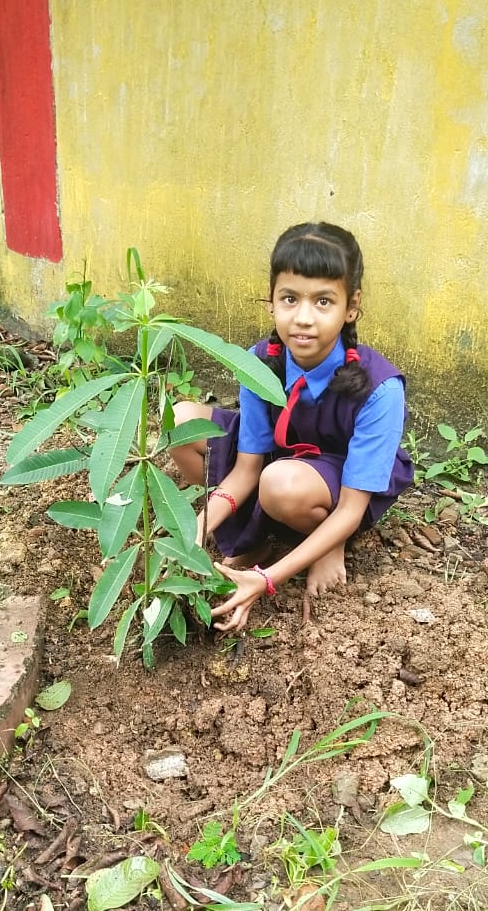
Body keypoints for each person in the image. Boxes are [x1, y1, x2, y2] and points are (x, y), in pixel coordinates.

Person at [171, 221, 414, 633]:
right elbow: (246, 469)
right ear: (271, 301)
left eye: (323, 301)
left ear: (351, 306)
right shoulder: (258, 361)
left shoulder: (380, 389)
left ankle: (326, 542)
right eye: (289, 298)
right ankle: (254, 539)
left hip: (336, 490)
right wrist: (194, 531)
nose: (303, 318)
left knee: (280, 482)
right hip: (276, 466)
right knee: (181, 423)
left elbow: (353, 506)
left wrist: (266, 581)